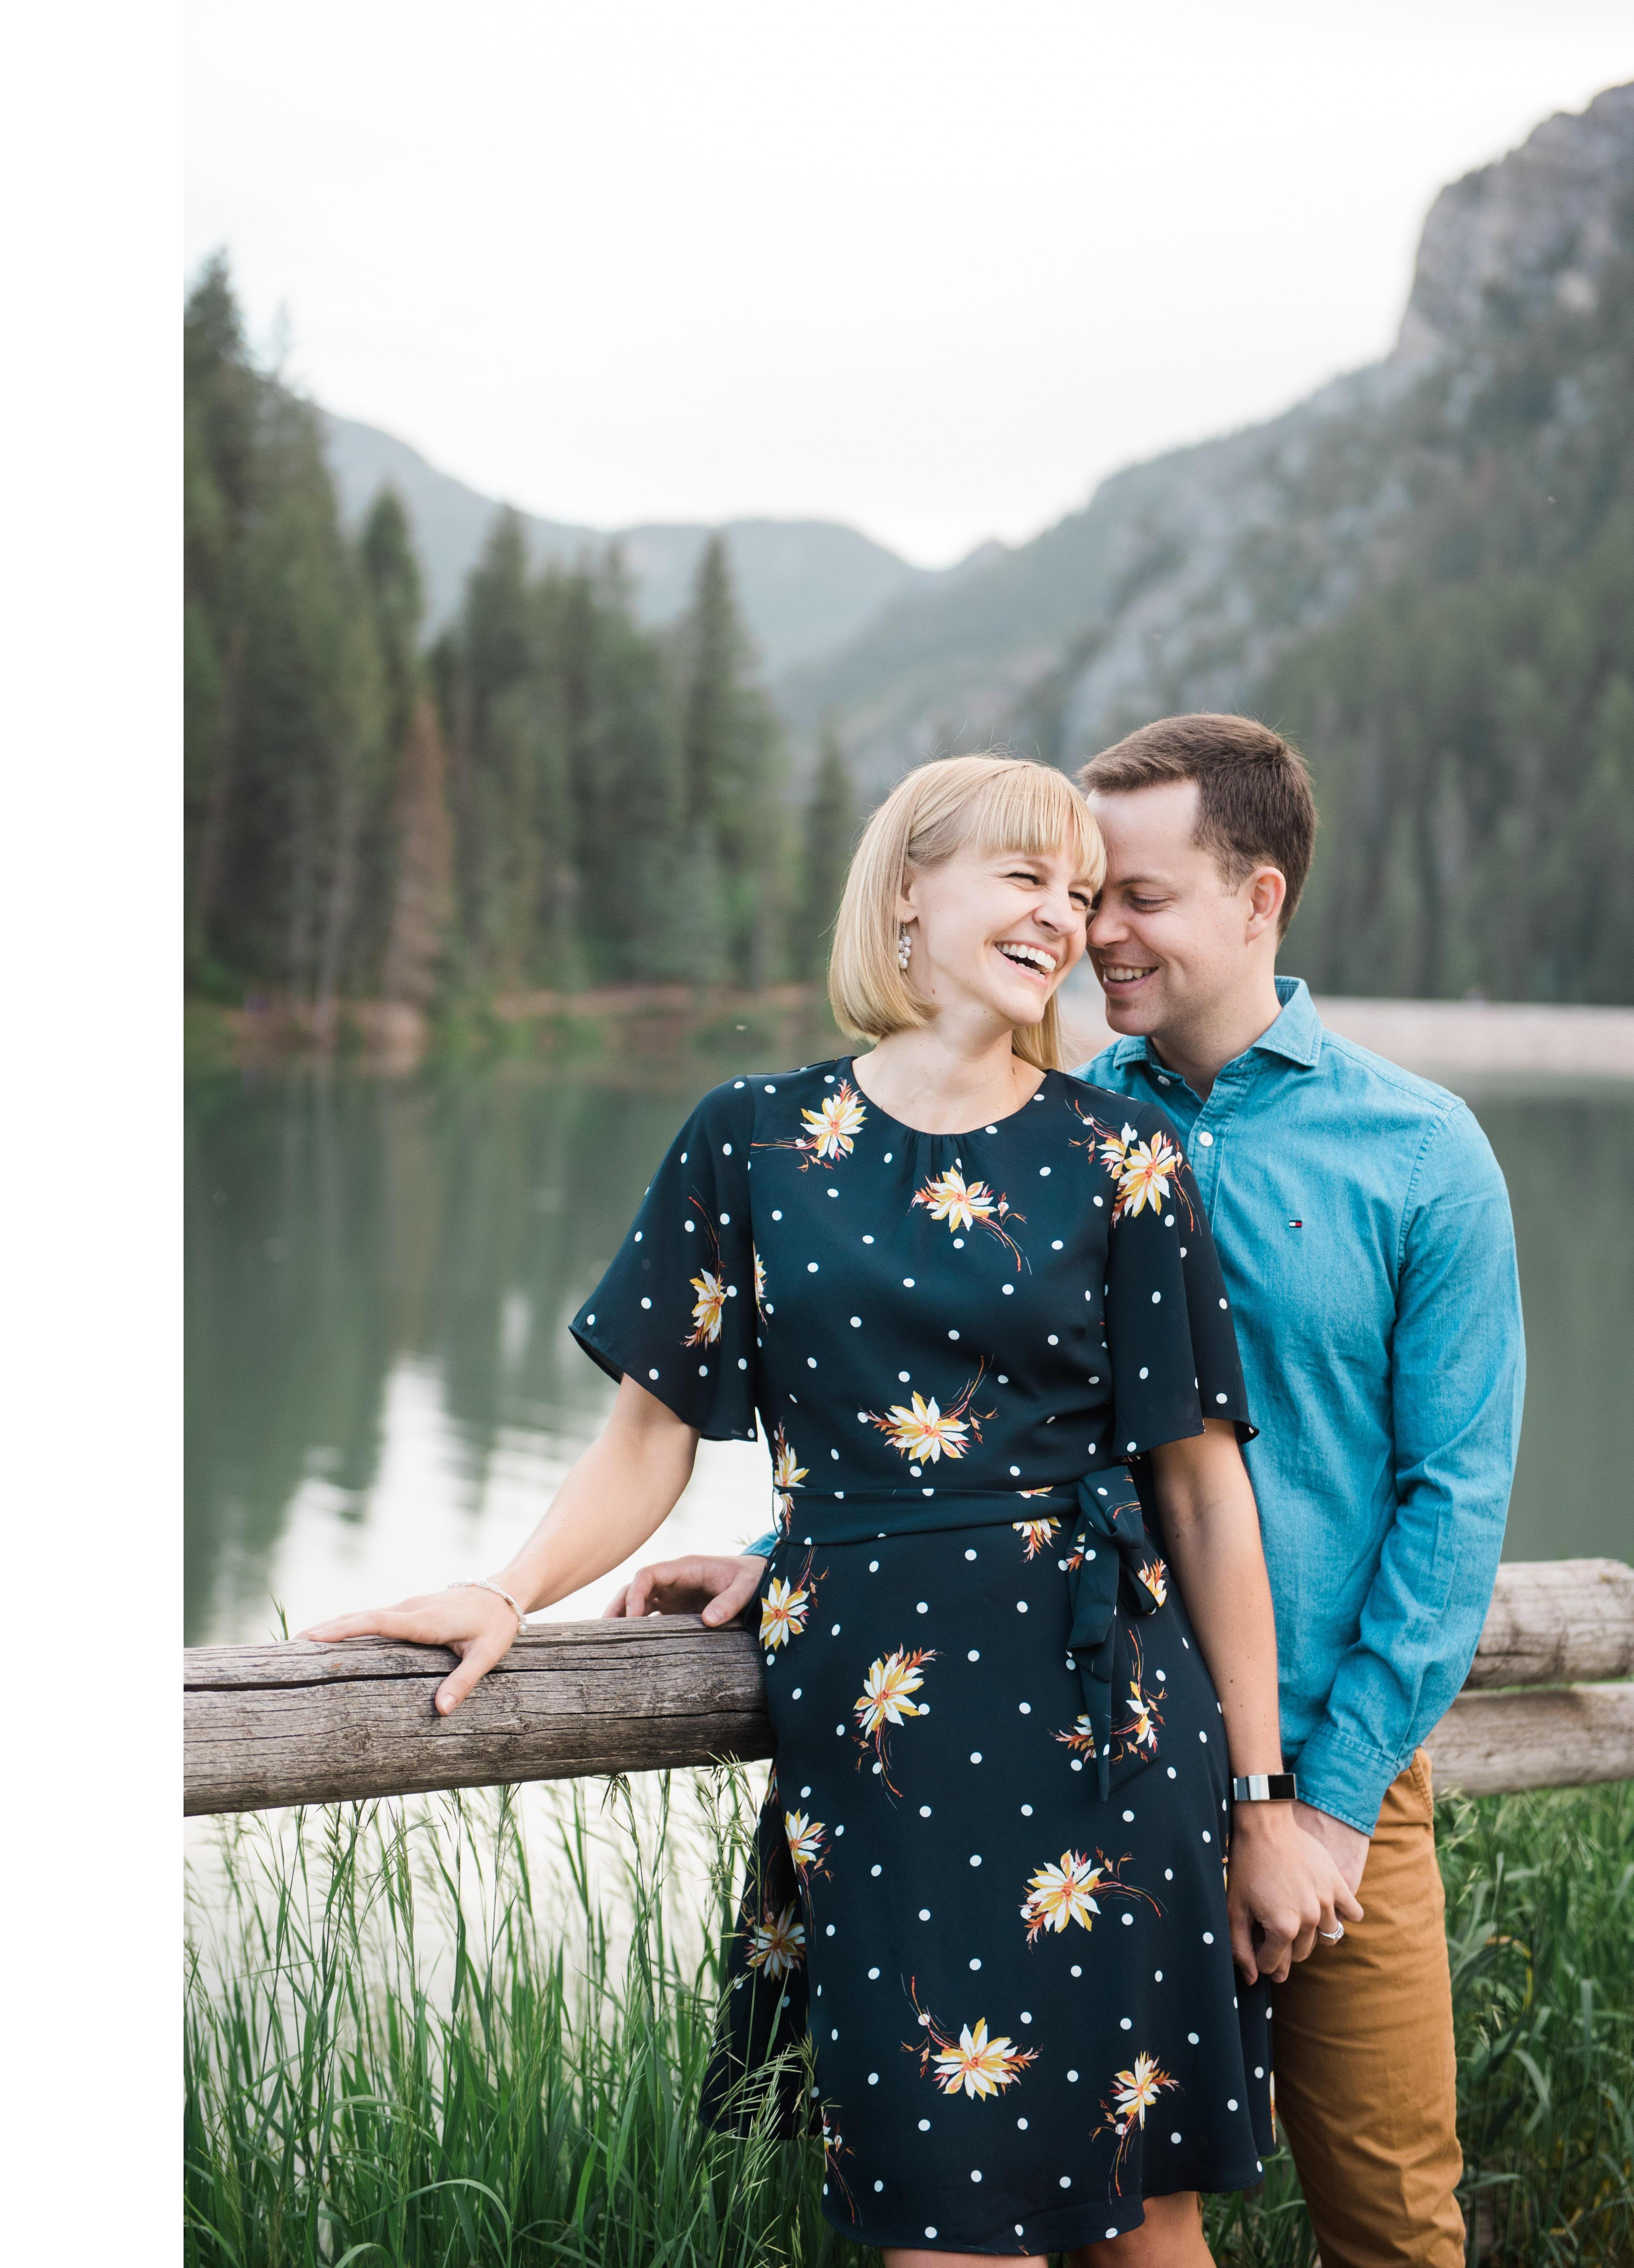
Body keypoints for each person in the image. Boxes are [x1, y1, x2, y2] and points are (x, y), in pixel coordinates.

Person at [304, 752, 1353, 2268]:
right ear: (906, 892)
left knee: (1145, 2224)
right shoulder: (751, 1140)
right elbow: (647, 1437)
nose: (1062, 917)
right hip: (881, 1748)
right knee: (940, 2226)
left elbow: (1200, 1495)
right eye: (1023, 876)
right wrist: (511, 1588)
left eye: (1079, 892)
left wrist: (1258, 1807)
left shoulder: (1124, 1158)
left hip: (1104, 1725)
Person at [639, 716, 1525, 2268]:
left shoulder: (1417, 1152)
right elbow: (997, 1412)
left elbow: (1451, 1506)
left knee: (1388, 2211)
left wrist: (1310, 1804)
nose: (1095, 928)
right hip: (1096, 1736)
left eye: (1138, 897)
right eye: (1075, 891)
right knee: (1090, 2208)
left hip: (1328, 1762)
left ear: (1259, 901)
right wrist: (794, 1544)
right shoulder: (1060, 1119)